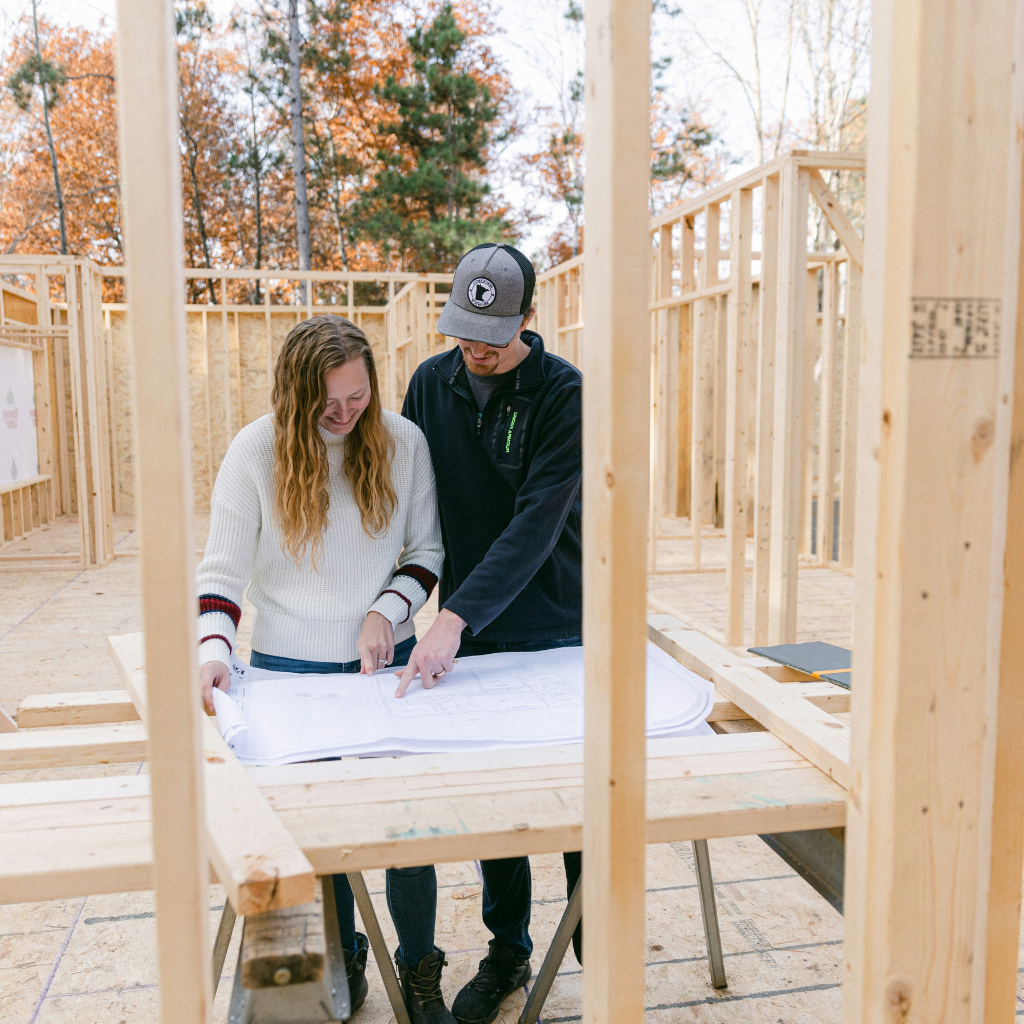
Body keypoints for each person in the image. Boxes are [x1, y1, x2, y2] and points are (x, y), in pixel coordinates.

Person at [195, 314, 457, 1024]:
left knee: (407, 827)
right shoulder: (255, 451)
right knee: (320, 833)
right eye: (327, 405)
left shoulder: (403, 443)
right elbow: (219, 575)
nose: (344, 416)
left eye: (358, 398)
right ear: (294, 396)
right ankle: (342, 965)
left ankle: (420, 969)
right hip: (286, 671)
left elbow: (426, 552)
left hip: (386, 668)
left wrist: (385, 609)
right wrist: (214, 653)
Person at [400, 243, 583, 1024]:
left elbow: (536, 523)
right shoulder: (429, 384)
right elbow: (406, 500)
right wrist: (389, 602)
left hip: (553, 620)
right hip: (467, 627)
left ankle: (598, 954)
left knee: (583, 798)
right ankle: (508, 951)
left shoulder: (562, 392)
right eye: (463, 331)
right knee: (498, 799)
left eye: (491, 335)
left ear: (528, 320)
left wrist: (453, 615)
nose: (474, 349)